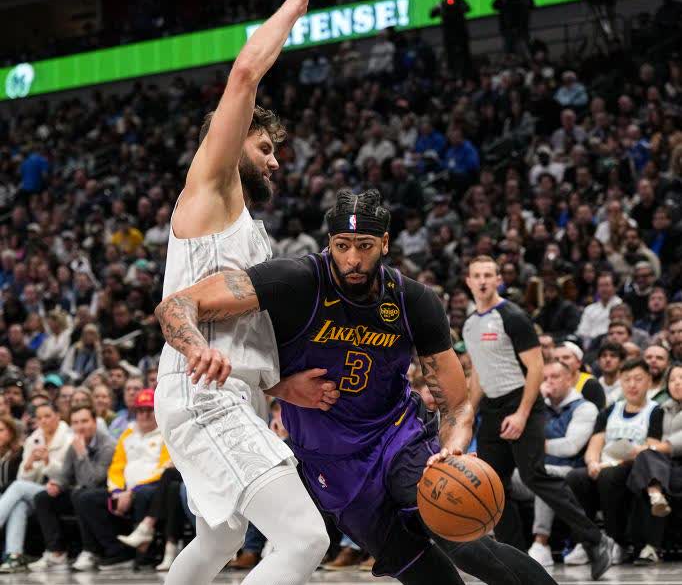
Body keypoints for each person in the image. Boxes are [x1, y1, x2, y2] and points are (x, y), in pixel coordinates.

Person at [157, 190, 561, 585]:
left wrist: (453, 446)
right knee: (428, 575)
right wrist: (207, 353)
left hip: (397, 440)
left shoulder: (413, 300)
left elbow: (456, 404)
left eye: (364, 246)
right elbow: (176, 305)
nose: (352, 258)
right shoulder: (294, 280)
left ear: (384, 243)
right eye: (342, 245)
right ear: (329, 242)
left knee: (465, 541)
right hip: (331, 465)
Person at [154, 0, 330, 585]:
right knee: (305, 538)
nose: (275, 161)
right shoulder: (210, 188)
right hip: (205, 395)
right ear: (234, 142)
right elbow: (245, 74)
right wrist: (294, 8)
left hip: (232, 395)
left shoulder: (248, 230)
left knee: (223, 534)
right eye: (265, 147)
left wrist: (278, 386)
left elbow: (242, 335)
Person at [461, 255, 613, 579]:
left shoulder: (513, 317)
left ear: (498, 280)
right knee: (493, 487)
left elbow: (536, 368)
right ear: (468, 281)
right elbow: (479, 373)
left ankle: (595, 538)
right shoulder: (470, 324)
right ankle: (515, 558)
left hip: (523, 402)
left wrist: (521, 414)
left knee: (533, 475)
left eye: (489, 275)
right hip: (492, 408)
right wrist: (468, 413)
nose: (483, 281)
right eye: (477, 275)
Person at [565, 358, 663, 566]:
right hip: (604, 465)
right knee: (575, 477)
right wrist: (592, 462)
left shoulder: (655, 411)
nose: (632, 385)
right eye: (627, 379)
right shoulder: (610, 410)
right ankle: (587, 542)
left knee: (609, 476)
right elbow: (595, 444)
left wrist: (617, 462)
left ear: (648, 381)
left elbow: (652, 447)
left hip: (632, 468)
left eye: (638, 379)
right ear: (620, 381)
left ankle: (615, 542)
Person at [73, 389, 170, 570]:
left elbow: (164, 469)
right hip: (124, 490)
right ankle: (117, 551)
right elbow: (116, 467)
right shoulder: (127, 434)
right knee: (86, 499)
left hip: (152, 488)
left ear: (157, 411)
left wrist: (132, 492)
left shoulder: (166, 433)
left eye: (149, 410)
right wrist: (117, 491)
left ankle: (144, 555)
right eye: (140, 410)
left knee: (144, 495)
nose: (144, 415)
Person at [527, 360, 598, 568]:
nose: (549, 382)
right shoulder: (539, 407)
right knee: (498, 478)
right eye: (545, 378)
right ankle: (497, 542)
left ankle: (541, 543)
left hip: (571, 471)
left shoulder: (585, 408)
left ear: (569, 379)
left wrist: (537, 446)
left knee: (543, 476)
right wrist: (537, 402)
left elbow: (571, 446)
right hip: (536, 470)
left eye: (555, 377)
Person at [29, 404, 116, 572]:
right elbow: (65, 474)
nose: (80, 426)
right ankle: (56, 553)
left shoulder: (108, 446)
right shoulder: (75, 444)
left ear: (95, 422)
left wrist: (82, 454)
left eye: (84, 421)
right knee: (43, 497)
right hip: (82, 493)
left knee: (80, 495)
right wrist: (57, 483)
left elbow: (94, 481)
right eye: (75, 422)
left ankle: (90, 551)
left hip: (104, 495)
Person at [0, 402, 72, 573]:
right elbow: (23, 478)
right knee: (19, 504)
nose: (43, 421)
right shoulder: (33, 439)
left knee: (17, 487)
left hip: (62, 490)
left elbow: (68, 474)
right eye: (39, 418)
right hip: (39, 492)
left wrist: (47, 461)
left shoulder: (68, 439)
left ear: (57, 416)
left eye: (47, 416)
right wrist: (29, 464)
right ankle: (14, 556)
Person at [624, 363, 682, 565]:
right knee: (645, 463)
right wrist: (654, 448)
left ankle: (650, 547)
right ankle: (655, 494)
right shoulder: (660, 410)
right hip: (663, 465)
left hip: (675, 464)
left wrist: (659, 447)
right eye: (672, 380)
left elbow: (670, 443)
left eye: (681, 378)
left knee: (647, 468)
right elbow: (651, 441)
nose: (677, 383)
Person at [429, 0, 472, 79]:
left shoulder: (459, 1)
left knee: (465, 55)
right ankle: (453, 73)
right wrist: (439, 8)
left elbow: (468, 8)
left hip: (461, 33)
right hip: (449, 35)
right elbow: (431, 14)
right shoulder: (441, 4)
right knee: (450, 56)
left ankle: (467, 72)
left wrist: (457, 6)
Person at [554, 342, 606, 410]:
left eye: (566, 357)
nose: (560, 361)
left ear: (579, 363)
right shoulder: (548, 383)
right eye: (556, 359)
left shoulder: (591, 385)